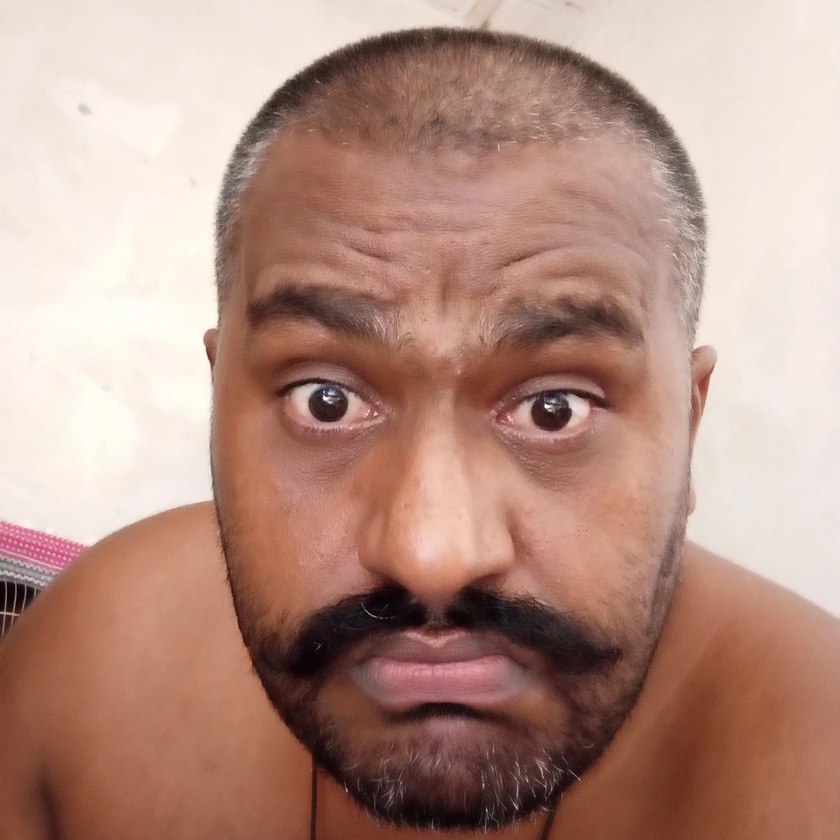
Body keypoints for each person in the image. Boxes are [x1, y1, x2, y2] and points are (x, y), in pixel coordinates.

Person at [0, 27, 837, 840]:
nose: (430, 554)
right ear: (218, 399)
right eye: (326, 401)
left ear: (688, 425)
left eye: (555, 409)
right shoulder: (92, 664)